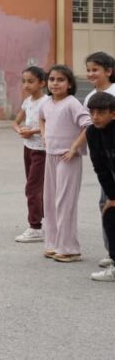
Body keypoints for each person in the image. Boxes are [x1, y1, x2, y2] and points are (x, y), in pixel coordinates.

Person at [67, 51, 115, 268]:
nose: (91, 74)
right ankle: (110, 251)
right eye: (88, 70)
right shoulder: (89, 97)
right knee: (106, 203)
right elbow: (89, 128)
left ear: (109, 71)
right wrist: (76, 146)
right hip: (105, 159)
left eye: (95, 69)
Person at [38, 65, 90, 263]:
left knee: (64, 202)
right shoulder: (47, 103)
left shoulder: (72, 103)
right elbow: (41, 118)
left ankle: (69, 248)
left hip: (68, 158)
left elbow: (88, 125)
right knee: (49, 201)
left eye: (60, 80)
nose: (55, 83)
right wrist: (43, 133)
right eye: (52, 79)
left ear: (69, 84)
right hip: (50, 156)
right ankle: (52, 243)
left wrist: (74, 148)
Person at [12, 66, 49, 244]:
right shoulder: (28, 101)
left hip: (42, 151)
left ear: (42, 83)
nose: (26, 85)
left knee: (32, 188)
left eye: (31, 81)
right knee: (33, 185)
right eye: (24, 81)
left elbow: (49, 126)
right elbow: (16, 121)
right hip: (28, 147)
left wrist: (32, 131)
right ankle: (41, 218)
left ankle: (35, 227)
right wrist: (20, 129)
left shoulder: (47, 102)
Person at [85, 91, 115, 281]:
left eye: (101, 113)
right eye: (92, 113)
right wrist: (112, 197)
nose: (95, 117)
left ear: (113, 113)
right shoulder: (92, 132)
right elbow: (100, 168)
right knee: (110, 216)